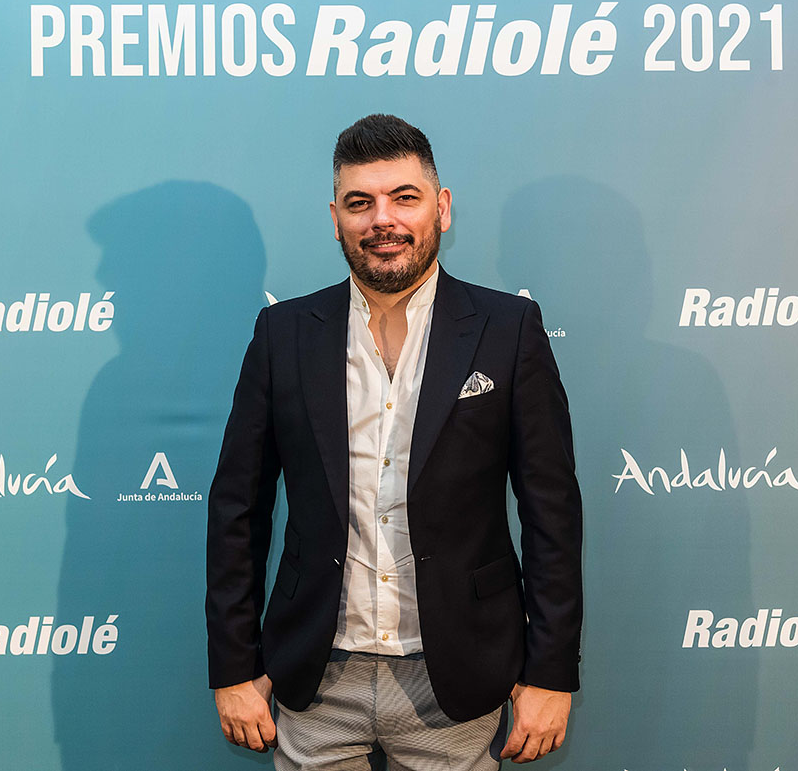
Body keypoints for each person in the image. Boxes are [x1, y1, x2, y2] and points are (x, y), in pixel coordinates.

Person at [206, 114, 583, 769]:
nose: (383, 219)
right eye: (360, 203)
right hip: (316, 672)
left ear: (442, 208)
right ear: (336, 219)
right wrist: (234, 666)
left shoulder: (509, 329)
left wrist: (551, 672)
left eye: (404, 197)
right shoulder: (283, 334)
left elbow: (552, 513)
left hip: (456, 673)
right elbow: (237, 509)